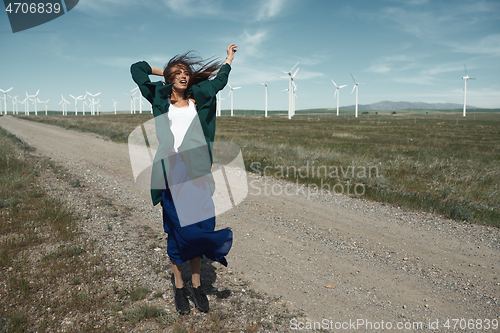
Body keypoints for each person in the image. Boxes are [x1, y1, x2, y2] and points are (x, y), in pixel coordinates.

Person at [130, 44, 237, 314]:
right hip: (171, 172)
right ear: (169, 77)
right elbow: (137, 69)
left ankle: (197, 286)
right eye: (177, 72)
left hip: (197, 173)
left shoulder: (199, 97)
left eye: (186, 72)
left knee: (199, 230)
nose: (183, 75)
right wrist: (164, 71)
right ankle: (179, 287)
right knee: (179, 231)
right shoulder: (159, 96)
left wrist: (228, 61)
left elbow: (221, 80)